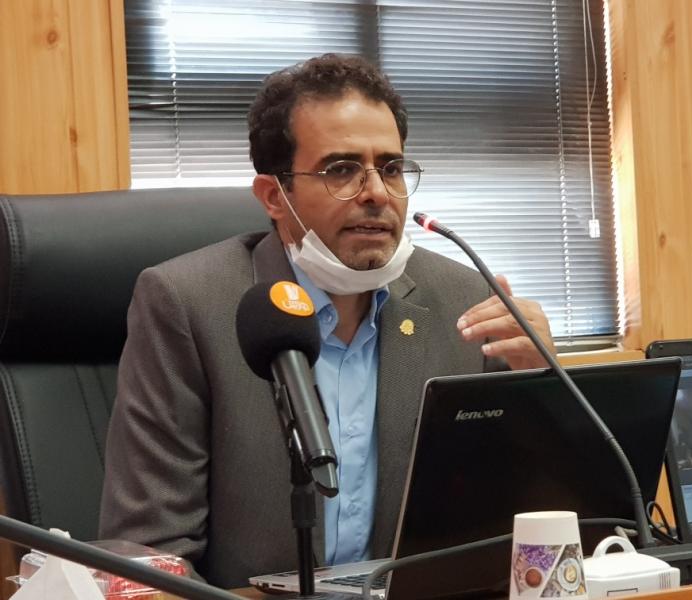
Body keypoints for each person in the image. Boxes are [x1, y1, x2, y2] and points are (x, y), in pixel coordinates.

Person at [99, 53, 554, 589]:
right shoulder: (188, 304)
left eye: (390, 168)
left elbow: (532, 522)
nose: (376, 193)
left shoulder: (464, 300)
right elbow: (153, 554)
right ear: (275, 196)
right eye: (341, 170)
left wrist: (545, 387)